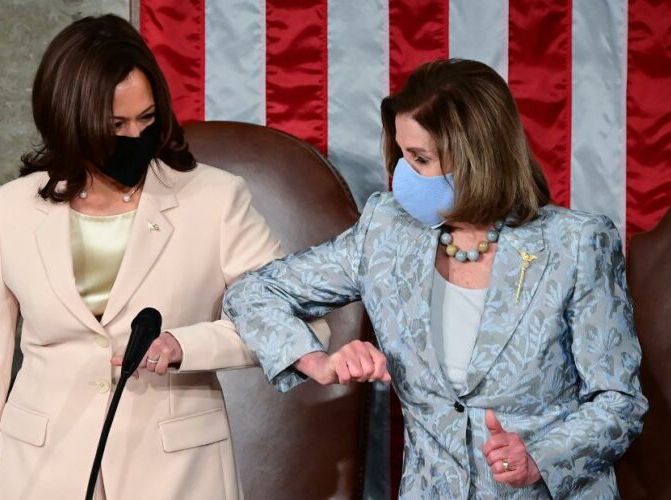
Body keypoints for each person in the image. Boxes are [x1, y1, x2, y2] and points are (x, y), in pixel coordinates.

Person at [224, 59, 648, 498]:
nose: (402, 173)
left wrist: (541, 456)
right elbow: (254, 292)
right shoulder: (386, 231)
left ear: (477, 159)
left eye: (420, 159)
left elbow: (620, 401)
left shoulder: (576, 243)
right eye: (402, 155)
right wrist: (317, 360)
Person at [0, 14, 292, 500]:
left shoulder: (215, 199)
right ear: (70, 119)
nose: (134, 137)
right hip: (42, 475)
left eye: (145, 119)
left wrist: (186, 346)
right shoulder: (13, 208)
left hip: (176, 476)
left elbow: (295, 325)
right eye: (114, 125)